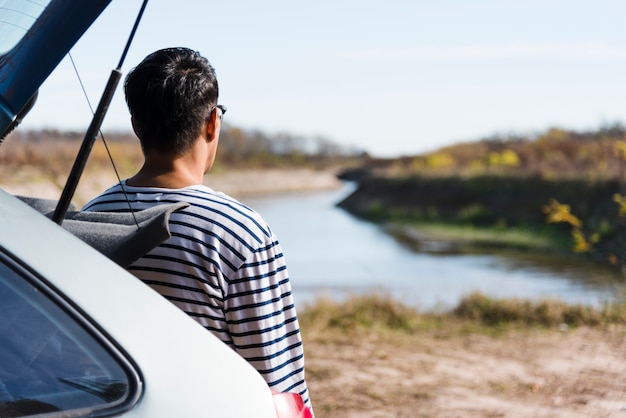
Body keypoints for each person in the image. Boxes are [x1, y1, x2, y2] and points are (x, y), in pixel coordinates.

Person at [82, 47, 313, 412]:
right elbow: (277, 380)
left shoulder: (91, 217)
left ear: (137, 125)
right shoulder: (241, 231)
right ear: (212, 123)